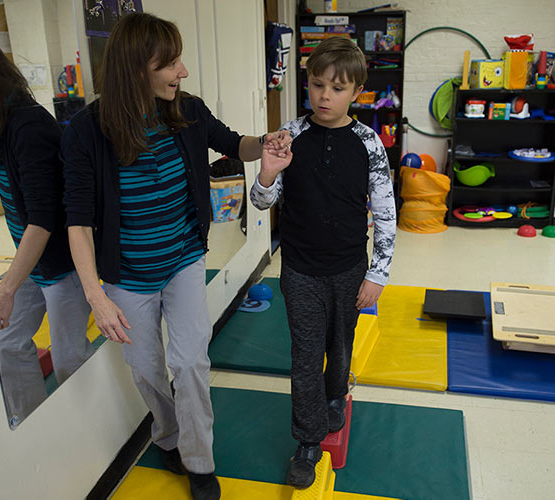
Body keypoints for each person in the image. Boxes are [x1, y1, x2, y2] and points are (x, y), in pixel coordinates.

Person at [60, 13, 289, 500]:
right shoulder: (85, 131)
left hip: (184, 259)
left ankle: (200, 462)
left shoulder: (186, 110)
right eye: (172, 63)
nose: (182, 72)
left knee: (189, 364)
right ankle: (168, 437)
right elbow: (77, 222)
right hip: (127, 276)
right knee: (146, 369)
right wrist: (97, 298)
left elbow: (234, 144)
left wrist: (265, 145)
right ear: (136, 68)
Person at [250, 36, 397, 488]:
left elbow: (386, 211)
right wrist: (268, 173)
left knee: (341, 343)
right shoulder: (288, 135)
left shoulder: (369, 143)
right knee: (305, 354)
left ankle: (337, 395)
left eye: (337, 88)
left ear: (356, 92)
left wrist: (378, 272)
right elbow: (259, 203)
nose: (325, 96)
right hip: (300, 269)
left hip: (350, 267)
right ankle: (309, 439)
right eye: (317, 85)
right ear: (307, 85)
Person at [0, 42, 94, 428]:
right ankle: (32, 426)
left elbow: (42, 220)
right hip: (30, 260)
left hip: (60, 262)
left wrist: (4, 291)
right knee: (7, 342)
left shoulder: (28, 126)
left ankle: (88, 429)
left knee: (70, 357)